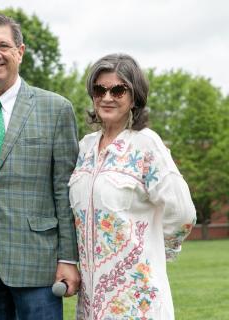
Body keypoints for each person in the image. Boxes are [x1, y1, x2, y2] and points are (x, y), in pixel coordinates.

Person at [0, 11, 80, 320]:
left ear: (19, 52)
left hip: (37, 260)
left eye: (3, 46)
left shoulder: (56, 109)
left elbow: (65, 190)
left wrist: (69, 258)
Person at [69, 53, 196, 319]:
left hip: (137, 296)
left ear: (134, 96)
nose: (107, 97)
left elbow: (182, 213)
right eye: (99, 89)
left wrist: (154, 253)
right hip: (92, 299)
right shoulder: (85, 147)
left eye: (118, 90)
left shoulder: (147, 145)